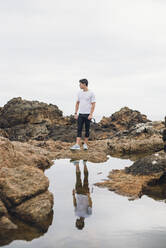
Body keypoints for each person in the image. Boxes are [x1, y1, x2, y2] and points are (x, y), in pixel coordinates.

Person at [70, 78, 96, 150]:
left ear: (84, 84)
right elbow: (77, 103)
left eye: (80, 84)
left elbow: (93, 104)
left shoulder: (91, 93)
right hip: (81, 114)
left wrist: (91, 114)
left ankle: (85, 144)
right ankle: (77, 144)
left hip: (88, 114)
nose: (79, 85)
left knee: (87, 129)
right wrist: (76, 113)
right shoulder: (79, 93)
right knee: (79, 129)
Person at [72, 160, 92, 230]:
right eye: (77, 224)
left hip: (78, 192)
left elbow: (75, 204)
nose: (76, 222)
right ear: (81, 223)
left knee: (78, 178)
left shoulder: (76, 214)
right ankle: (84, 164)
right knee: (85, 178)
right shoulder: (88, 215)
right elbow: (90, 205)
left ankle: (78, 163)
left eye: (76, 223)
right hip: (85, 193)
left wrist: (73, 195)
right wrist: (89, 195)